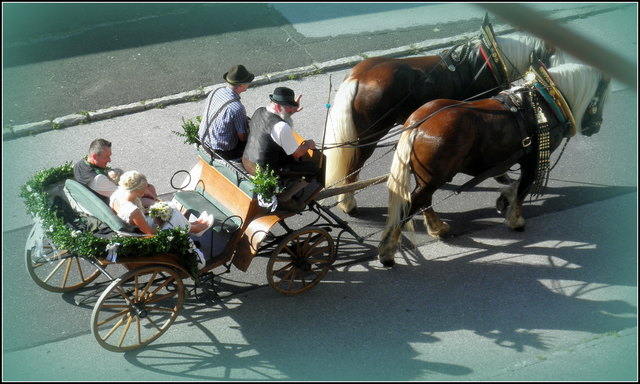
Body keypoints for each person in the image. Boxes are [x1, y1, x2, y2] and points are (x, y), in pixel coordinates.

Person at [242, 87, 322, 212]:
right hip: (264, 171)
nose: (291, 109)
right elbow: (297, 152)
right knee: (312, 169)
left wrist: (290, 112)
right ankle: (285, 198)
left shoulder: (260, 111)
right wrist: (308, 144)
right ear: (279, 107)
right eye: (289, 107)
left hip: (247, 161)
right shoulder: (281, 126)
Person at [109, 170, 213, 236]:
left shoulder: (116, 195)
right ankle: (195, 229)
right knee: (172, 211)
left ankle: (191, 225)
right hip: (144, 231)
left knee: (167, 208)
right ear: (137, 191)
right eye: (144, 188)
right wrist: (157, 222)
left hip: (137, 223)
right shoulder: (133, 210)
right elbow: (149, 231)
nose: (146, 189)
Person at [73, 138, 158, 208]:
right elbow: (125, 195)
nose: (109, 160)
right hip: (111, 206)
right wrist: (143, 191)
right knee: (150, 193)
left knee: (149, 187)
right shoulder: (98, 179)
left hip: (102, 198)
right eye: (106, 157)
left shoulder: (79, 165)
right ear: (94, 156)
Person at [198, 64, 255, 161]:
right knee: (254, 142)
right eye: (248, 82)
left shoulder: (215, 91)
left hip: (203, 141)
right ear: (241, 85)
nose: (249, 83)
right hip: (221, 152)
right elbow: (243, 138)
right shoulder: (237, 108)